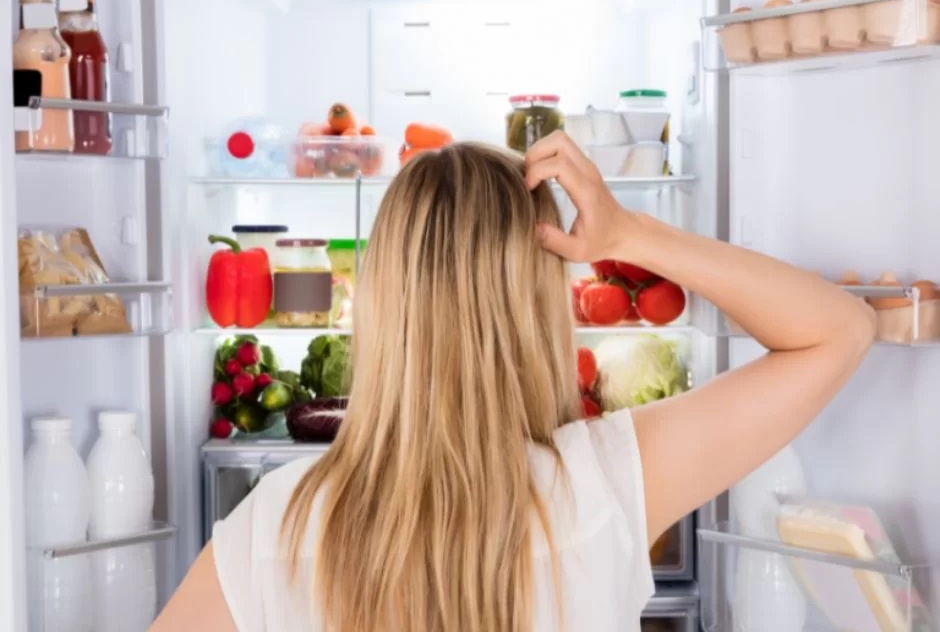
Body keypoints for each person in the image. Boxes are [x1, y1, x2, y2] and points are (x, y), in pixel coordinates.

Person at [151, 132, 875, 632]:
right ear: (537, 307)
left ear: (383, 301)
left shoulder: (273, 523)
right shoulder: (610, 480)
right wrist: (626, 233)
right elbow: (839, 329)